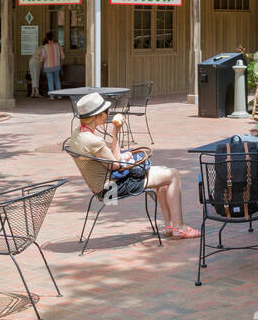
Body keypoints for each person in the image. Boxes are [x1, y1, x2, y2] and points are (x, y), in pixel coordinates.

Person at [65, 91, 198, 239]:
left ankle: (170, 227)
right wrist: (116, 133)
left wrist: (121, 154)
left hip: (101, 186)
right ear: (96, 116)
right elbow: (116, 165)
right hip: (111, 190)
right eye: (106, 111)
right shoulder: (94, 141)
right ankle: (179, 226)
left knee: (164, 174)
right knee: (173, 174)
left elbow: (112, 161)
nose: (108, 114)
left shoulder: (77, 135)